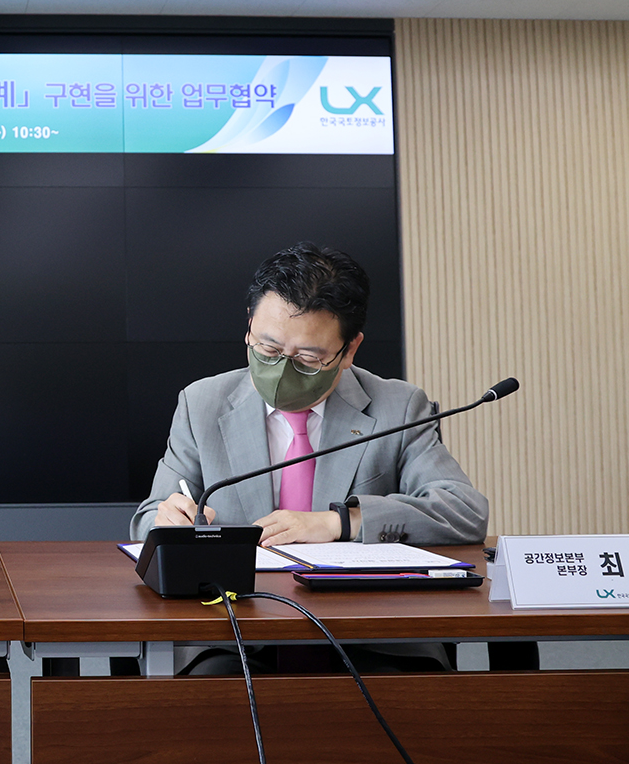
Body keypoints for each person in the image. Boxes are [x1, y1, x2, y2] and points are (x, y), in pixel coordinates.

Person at [130, 242, 489, 673]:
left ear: (349, 349)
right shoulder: (202, 403)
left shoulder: (398, 406)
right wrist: (166, 521)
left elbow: (464, 511)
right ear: (249, 327)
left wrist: (338, 521)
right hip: (233, 635)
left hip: (370, 634)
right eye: (268, 350)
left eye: (307, 358)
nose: (281, 371)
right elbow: (147, 519)